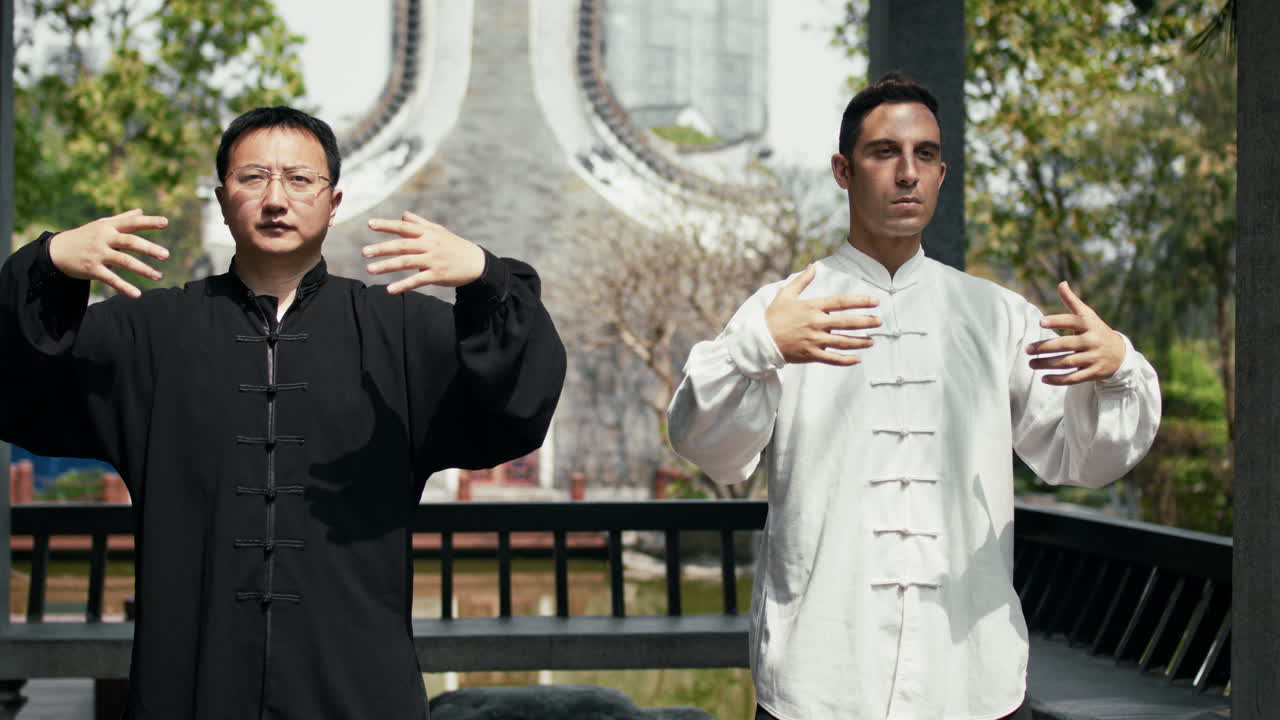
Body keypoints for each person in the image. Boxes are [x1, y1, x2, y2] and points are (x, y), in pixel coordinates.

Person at [0, 106, 565, 719]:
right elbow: (15, 387)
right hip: (191, 684)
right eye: (252, 178)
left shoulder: (403, 332)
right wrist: (45, 266)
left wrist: (487, 280)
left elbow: (520, 405)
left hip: (357, 686)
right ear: (223, 200)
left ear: (334, 201)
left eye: (300, 180)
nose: (275, 200)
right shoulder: (148, 336)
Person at [666, 73, 1161, 720]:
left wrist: (1117, 369)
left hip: (970, 678)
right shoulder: (783, 309)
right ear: (843, 171)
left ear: (941, 173)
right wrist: (758, 346)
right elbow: (707, 447)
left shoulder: (996, 315)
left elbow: (1081, 461)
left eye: (925, 154)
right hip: (821, 680)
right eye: (884, 152)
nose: (908, 173)